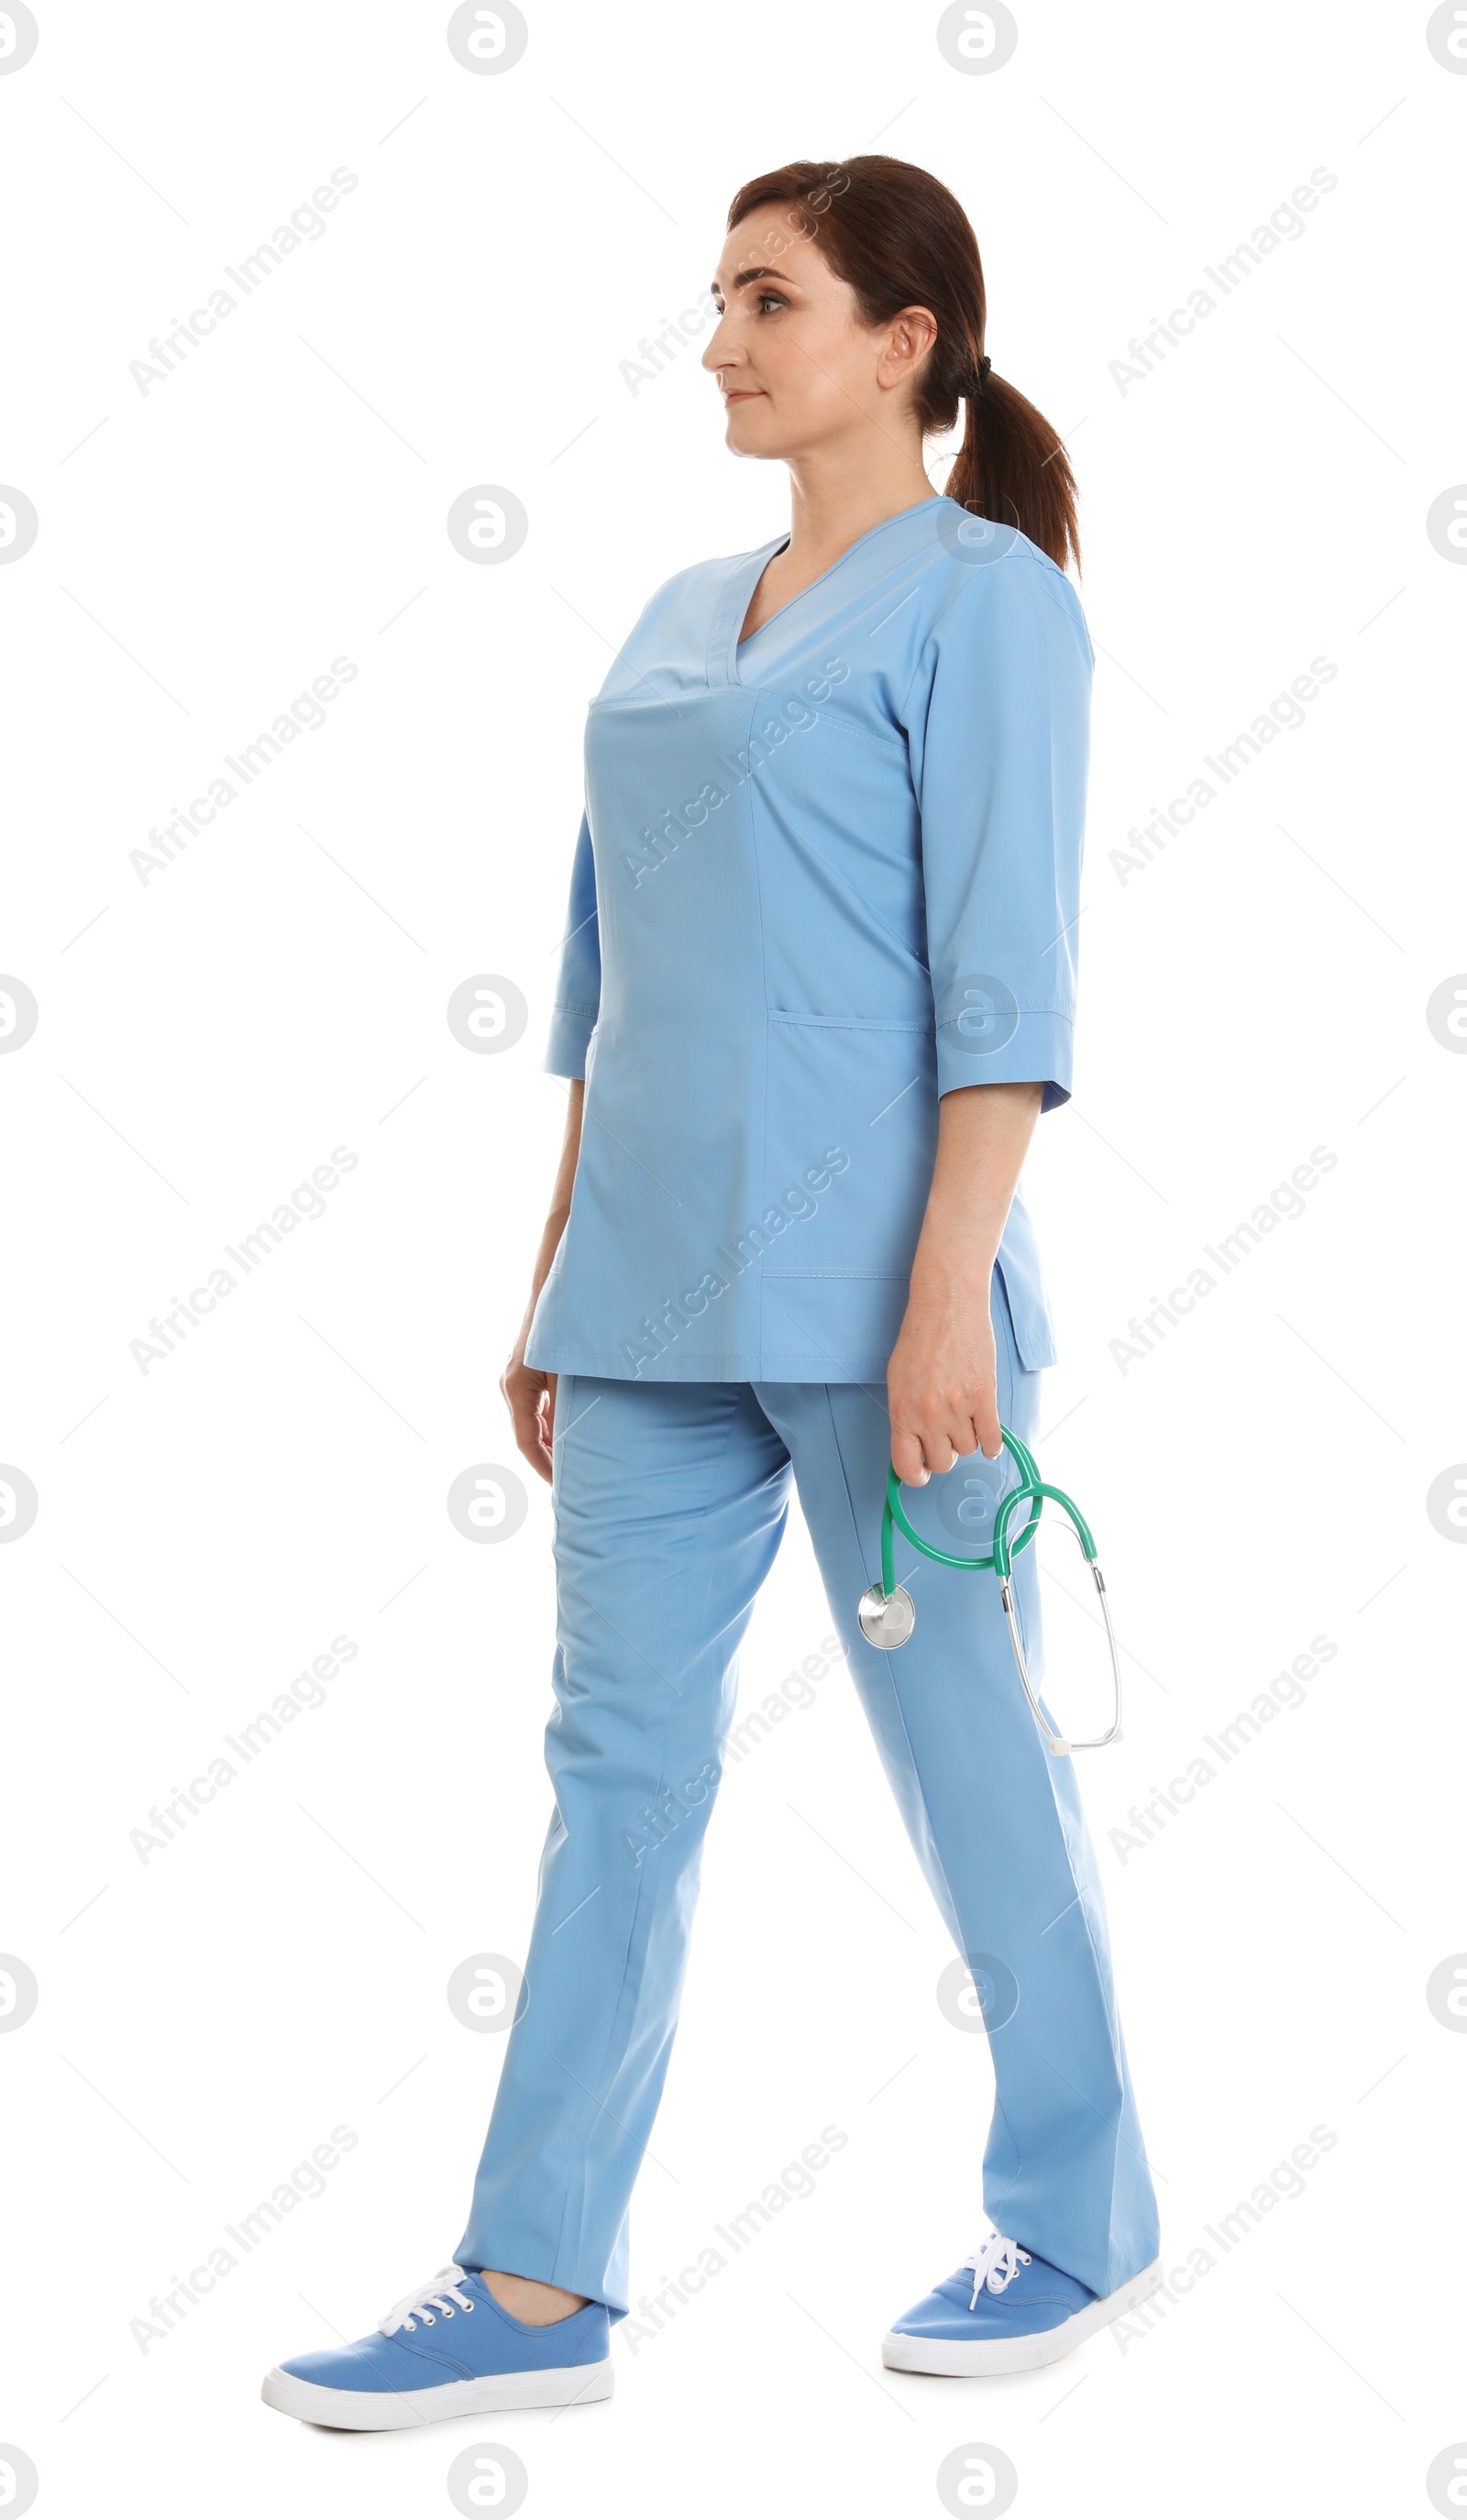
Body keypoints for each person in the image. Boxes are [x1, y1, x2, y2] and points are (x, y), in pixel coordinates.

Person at [262, 151, 1161, 2432]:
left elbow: (1005, 980)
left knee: (971, 1767)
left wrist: (947, 1290)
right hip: (642, 1306)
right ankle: (535, 2283)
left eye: (769, 301)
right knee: (614, 1772)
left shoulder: (990, 604)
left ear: (902, 341)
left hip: (885, 1305)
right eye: (717, 298)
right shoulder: (681, 608)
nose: (722, 341)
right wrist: (554, 1261)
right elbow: (604, 974)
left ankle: (1077, 2214)